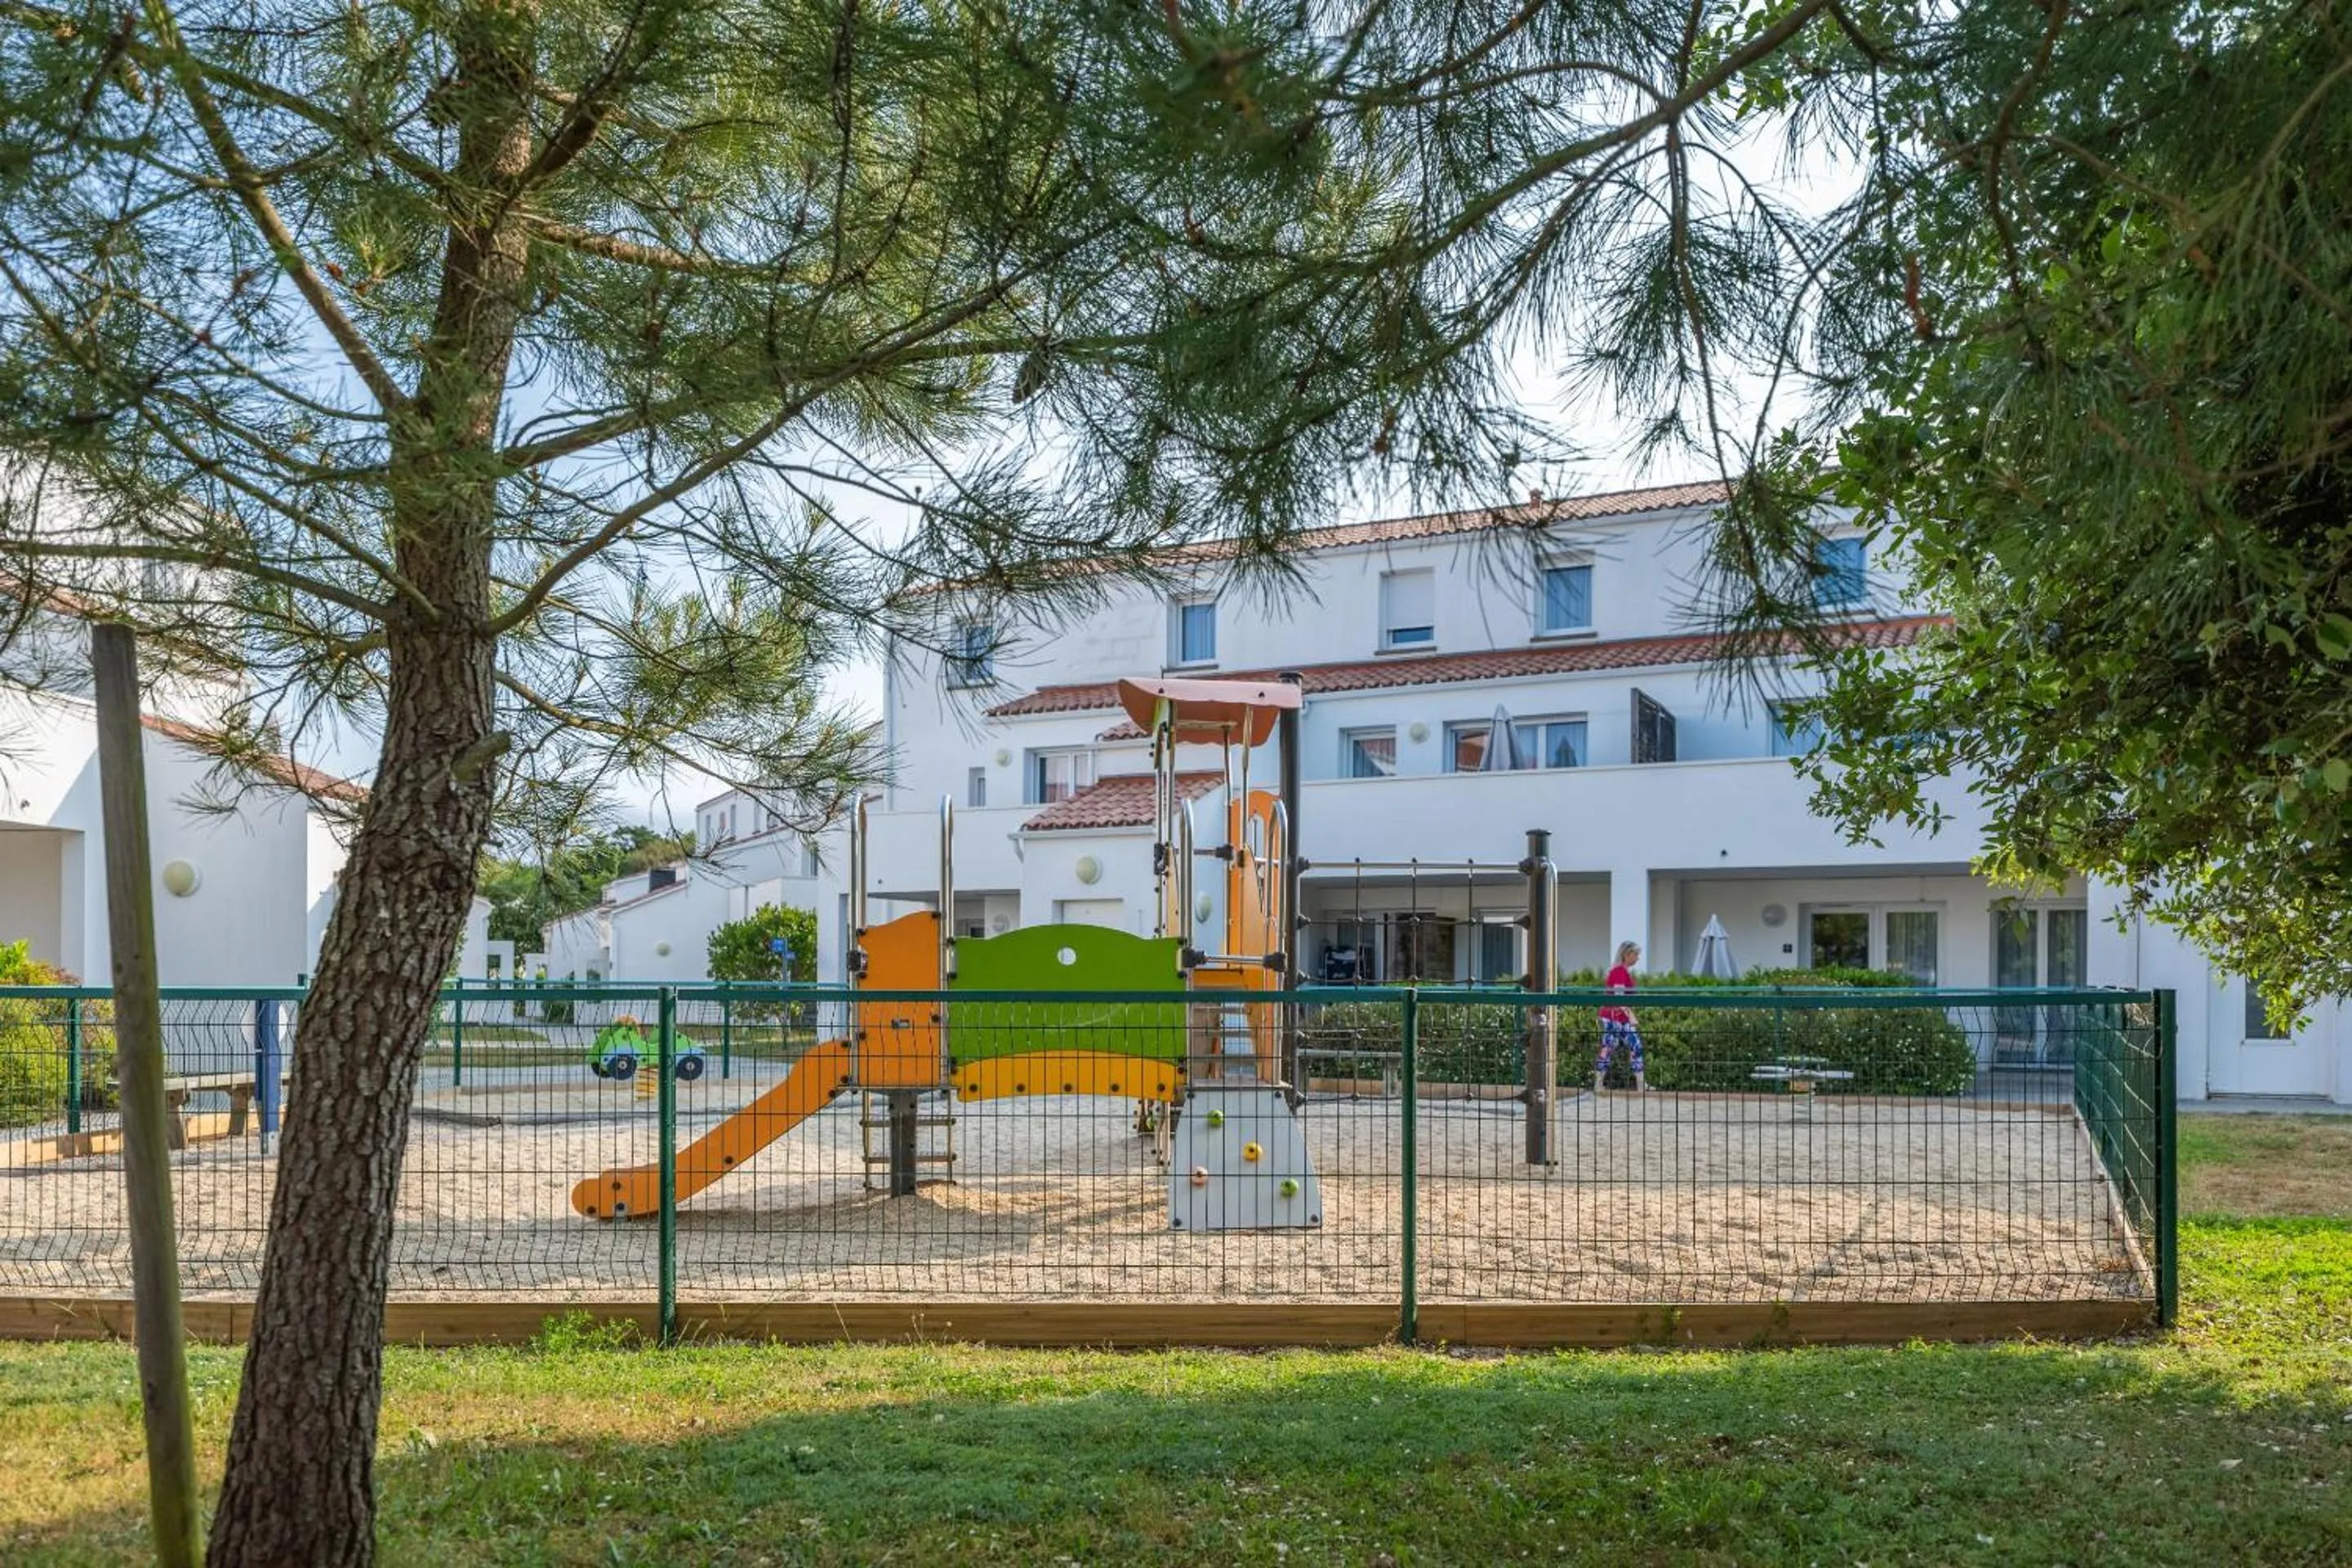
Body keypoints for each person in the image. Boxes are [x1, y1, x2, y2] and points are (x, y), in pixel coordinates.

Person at [1596, 940, 1648, 1093]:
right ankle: (1640, 1085)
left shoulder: (1621, 971)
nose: (1637, 958)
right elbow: (1619, 996)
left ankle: (1599, 1084)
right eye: (1636, 954)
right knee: (1631, 1047)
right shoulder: (1619, 971)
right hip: (1616, 1017)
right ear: (1627, 954)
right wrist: (1631, 1015)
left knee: (1609, 1048)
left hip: (1616, 1017)